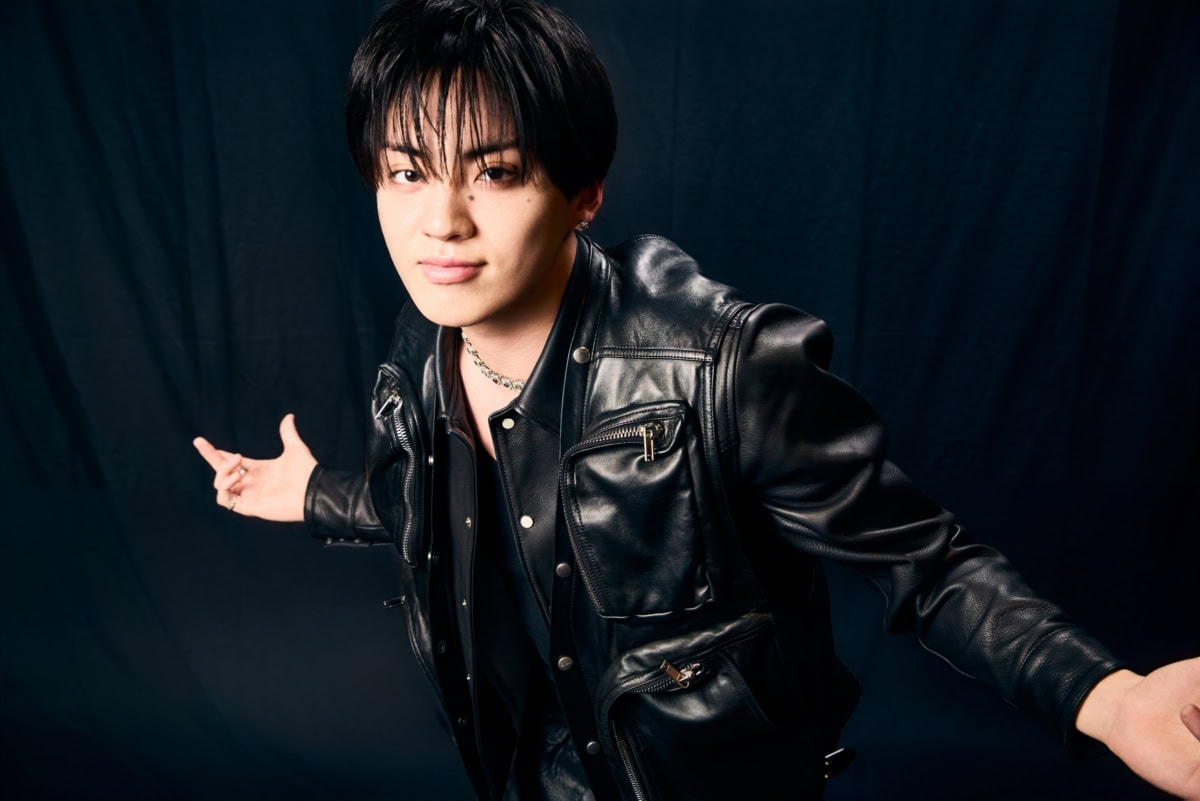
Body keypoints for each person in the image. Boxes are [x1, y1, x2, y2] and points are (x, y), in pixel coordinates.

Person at [193, 1, 1200, 798]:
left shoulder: (721, 364)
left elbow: (927, 565)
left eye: (494, 173)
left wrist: (1107, 697)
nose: (441, 221)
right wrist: (316, 494)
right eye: (408, 173)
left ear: (583, 194)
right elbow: (455, 492)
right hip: (529, 772)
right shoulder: (425, 343)